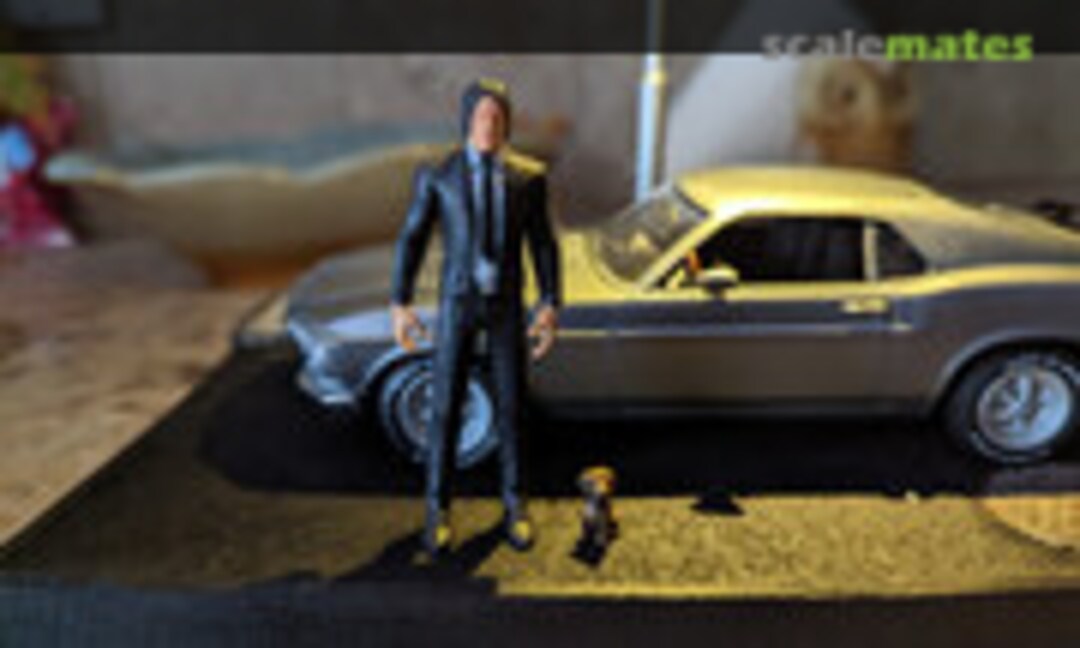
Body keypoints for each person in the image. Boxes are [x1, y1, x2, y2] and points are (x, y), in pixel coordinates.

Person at [389, 78, 562, 556]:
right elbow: (412, 237)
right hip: (458, 303)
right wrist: (400, 302)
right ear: (467, 119)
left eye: (498, 116)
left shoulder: (528, 177)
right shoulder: (439, 175)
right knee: (445, 408)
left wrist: (550, 302)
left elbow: (543, 244)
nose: (489, 125)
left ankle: (515, 505)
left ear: (508, 122)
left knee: (512, 407)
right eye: (482, 115)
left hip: (506, 304)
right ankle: (438, 508)